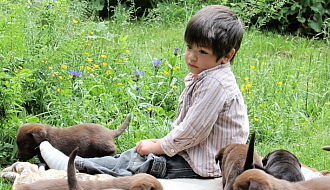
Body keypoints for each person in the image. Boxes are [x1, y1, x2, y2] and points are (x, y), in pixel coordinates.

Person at [39, 4, 249, 179]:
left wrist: (160, 147)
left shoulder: (216, 84)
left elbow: (193, 131)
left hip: (206, 164)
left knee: (146, 162)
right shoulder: (209, 75)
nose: (191, 57)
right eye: (189, 47)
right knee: (134, 155)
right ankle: (77, 163)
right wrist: (162, 143)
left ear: (227, 56)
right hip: (195, 151)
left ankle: (74, 166)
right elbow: (190, 130)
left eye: (202, 51)